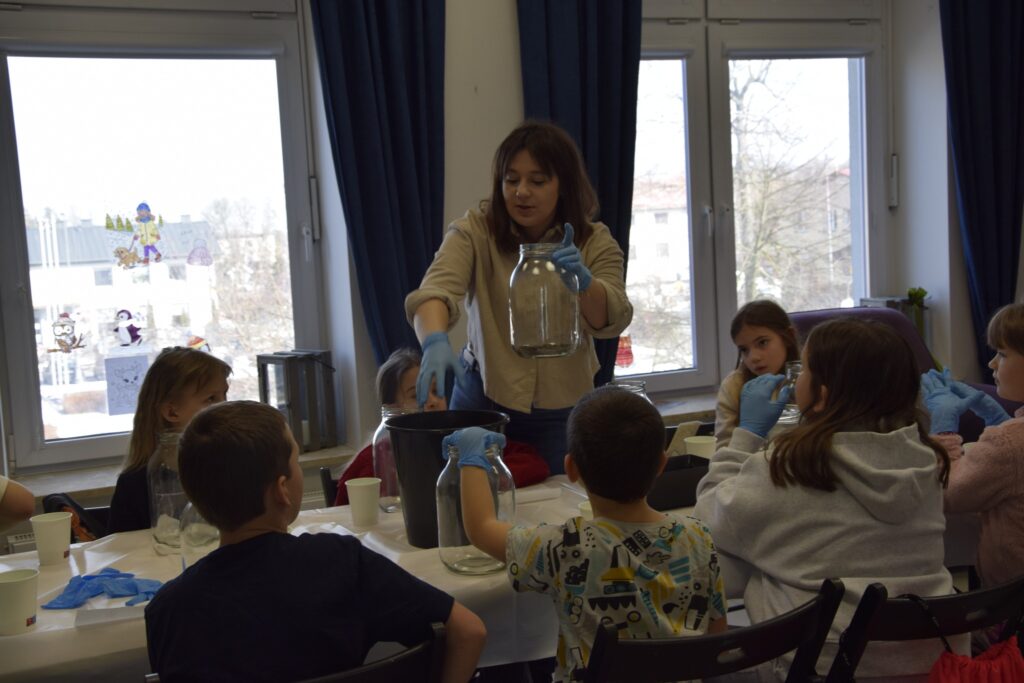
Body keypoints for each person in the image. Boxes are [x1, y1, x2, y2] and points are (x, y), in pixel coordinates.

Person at [145, 400, 486, 683]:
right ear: (282, 490)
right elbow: (469, 631)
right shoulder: (341, 562)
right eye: (295, 460)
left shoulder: (168, 611)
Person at [695, 318, 961, 679]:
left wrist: (744, 436)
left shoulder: (793, 466)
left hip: (826, 667)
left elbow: (706, 523)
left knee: (750, 574)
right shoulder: (925, 459)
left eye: (804, 369)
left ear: (821, 394)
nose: (796, 379)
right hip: (932, 660)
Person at [451, 386, 727, 682]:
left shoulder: (564, 547)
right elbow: (715, 634)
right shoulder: (698, 537)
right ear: (662, 464)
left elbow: (480, 528)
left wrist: (471, 458)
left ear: (570, 468)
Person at [405, 121, 632, 473]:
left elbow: (612, 318)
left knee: (557, 500)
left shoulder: (594, 240)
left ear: (563, 185)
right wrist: (434, 340)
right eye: (511, 180)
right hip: (483, 396)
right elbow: (435, 290)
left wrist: (585, 285)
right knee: (469, 496)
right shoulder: (475, 229)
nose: (521, 192)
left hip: (560, 406)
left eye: (537, 181)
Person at [921, 302, 1024, 590]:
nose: (992, 364)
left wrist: (943, 431)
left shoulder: (1009, 443)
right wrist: (999, 420)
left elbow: (946, 494)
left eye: (1002, 354)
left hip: (1010, 602)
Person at [108, 347, 231, 533]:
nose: (225, 405)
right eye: (211, 398)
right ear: (172, 412)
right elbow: (120, 546)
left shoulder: (231, 465)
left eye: (225, 395)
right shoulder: (135, 484)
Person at [715, 299, 800, 450]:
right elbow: (723, 449)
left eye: (762, 343)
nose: (753, 357)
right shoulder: (734, 385)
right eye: (744, 350)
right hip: (747, 464)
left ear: (789, 336)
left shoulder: (811, 377)